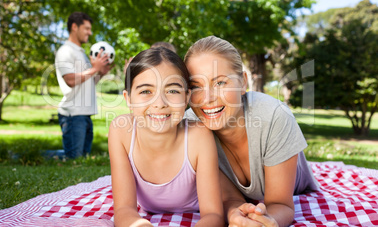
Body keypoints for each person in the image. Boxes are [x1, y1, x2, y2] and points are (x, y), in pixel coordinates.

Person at [183, 36, 319, 227]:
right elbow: (230, 198)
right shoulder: (191, 128)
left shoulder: (273, 116)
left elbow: (281, 205)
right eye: (196, 86)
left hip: (294, 185)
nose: (207, 98)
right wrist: (235, 216)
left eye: (220, 83)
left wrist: (267, 222)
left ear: (243, 83)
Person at [108, 47, 224, 227]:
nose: (159, 104)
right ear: (128, 98)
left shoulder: (199, 135)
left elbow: (213, 214)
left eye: (172, 91)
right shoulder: (121, 131)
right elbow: (124, 210)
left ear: (187, 97)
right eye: (146, 91)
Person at [55, 12, 112, 158]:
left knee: (82, 159)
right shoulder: (65, 51)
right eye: (86, 28)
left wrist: (101, 72)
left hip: (84, 114)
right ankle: (46, 157)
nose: (90, 32)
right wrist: (94, 69)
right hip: (73, 115)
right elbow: (70, 80)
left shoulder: (81, 54)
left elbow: (89, 82)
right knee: (74, 159)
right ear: (74, 27)